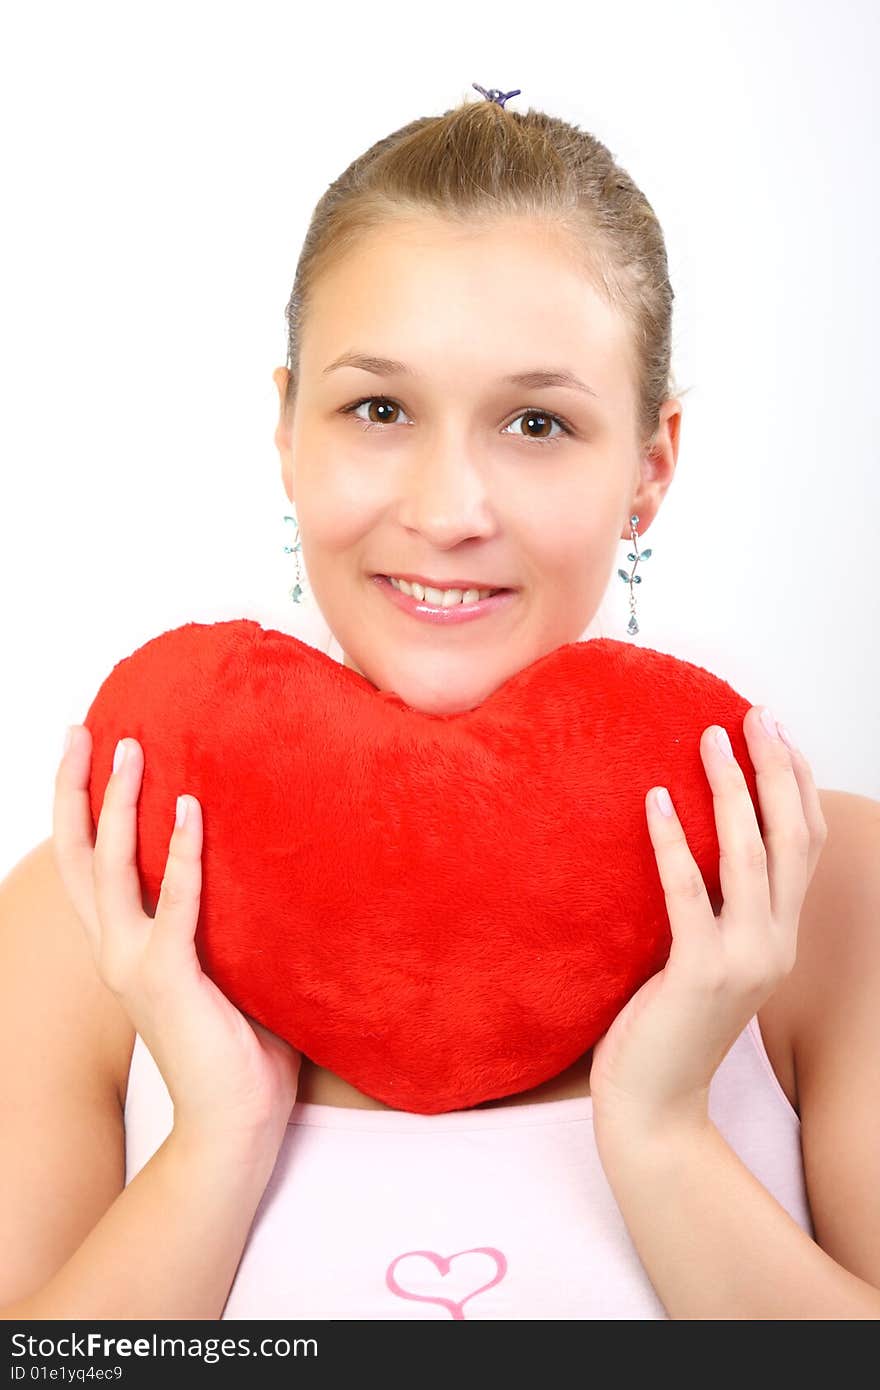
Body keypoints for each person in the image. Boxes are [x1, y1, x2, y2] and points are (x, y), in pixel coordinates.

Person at [1, 87, 878, 1323]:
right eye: (377, 408)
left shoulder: (832, 895)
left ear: (650, 465)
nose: (449, 505)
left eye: (536, 422)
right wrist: (218, 1134)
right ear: (287, 432)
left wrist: (663, 1132)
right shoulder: (90, 906)